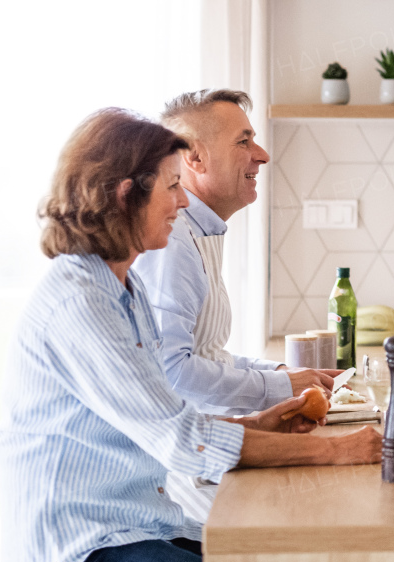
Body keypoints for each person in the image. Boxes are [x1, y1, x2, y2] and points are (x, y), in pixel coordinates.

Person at [0, 109, 381, 562]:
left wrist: (256, 423)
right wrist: (338, 453)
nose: (182, 203)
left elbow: (161, 415)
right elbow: (181, 440)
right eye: (172, 186)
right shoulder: (81, 303)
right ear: (126, 194)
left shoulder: (123, 288)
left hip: (140, 524)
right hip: (82, 548)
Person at [134, 89, 337, 519]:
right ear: (195, 158)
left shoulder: (198, 232)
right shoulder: (173, 242)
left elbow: (208, 355)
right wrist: (282, 386)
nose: (261, 155)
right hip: (191, 478)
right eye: (243, 141)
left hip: (212, 449)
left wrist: (280, 373)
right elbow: (175, 373)